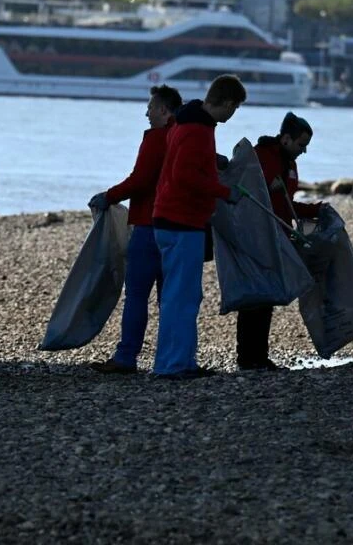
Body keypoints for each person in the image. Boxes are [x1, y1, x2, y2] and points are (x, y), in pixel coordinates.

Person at [152, 74, 247, 379]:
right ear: (228, 103)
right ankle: (175, 365)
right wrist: (225, 192)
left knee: (176, 295)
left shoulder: (184, 121)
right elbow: (185, 176)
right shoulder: (198, 130)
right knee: (183, 296)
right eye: (235, 109)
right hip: (183, 221)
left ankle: (172, 361)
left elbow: (183, 163)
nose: (233, 115)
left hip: (167, 218)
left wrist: (211, 161)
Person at [87, 85, 184, 374]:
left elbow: (140, 180)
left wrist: (108, 196)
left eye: (151, 107)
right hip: (177, 228)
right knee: (171, 297)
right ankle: (171, 357)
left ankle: (127, 356)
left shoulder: (157, 138)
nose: (147, 112)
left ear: (164, 110)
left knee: (137, 294)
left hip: (148, 225)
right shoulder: (184, 137)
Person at [236, 112, 321, 371]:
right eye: (300, 145)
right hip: (258, 237)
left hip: (278, 237)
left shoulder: (288, 163)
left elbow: (286, 205)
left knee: (268, 298)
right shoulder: (262, 156)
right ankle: (248, 357)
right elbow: (250, 195)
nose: (303, 151)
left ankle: (258, 356)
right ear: (286, 139)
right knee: (256, 298)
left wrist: (315, 210)